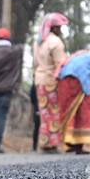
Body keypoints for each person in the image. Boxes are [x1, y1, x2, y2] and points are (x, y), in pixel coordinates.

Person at [33, 12, 69, 152]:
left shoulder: (39, 41)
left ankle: (44, 143)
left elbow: (35, 62)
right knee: (53, 112)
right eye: (59, 27)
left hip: (40, 80)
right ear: (53, 28)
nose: (60, 30)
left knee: (44, 113)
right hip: (51, 81)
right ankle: (52, 144)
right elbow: (61, 64)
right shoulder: (55, 42)